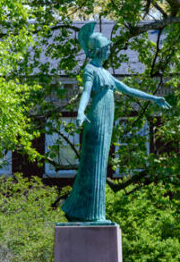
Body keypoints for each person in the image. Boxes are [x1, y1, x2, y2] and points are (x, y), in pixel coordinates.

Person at [60, 22, 170, 223]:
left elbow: (128, 89)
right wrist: (80, 112)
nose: (109, 50)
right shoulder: (90, 70)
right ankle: (88, 213)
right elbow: (85, 92)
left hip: (106, 121)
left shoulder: (106, 73)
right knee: (93, 165)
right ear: (99, 51)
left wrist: (154, 98)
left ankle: (89, 211)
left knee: (100, 166)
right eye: (107, 48)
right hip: (97, 120)